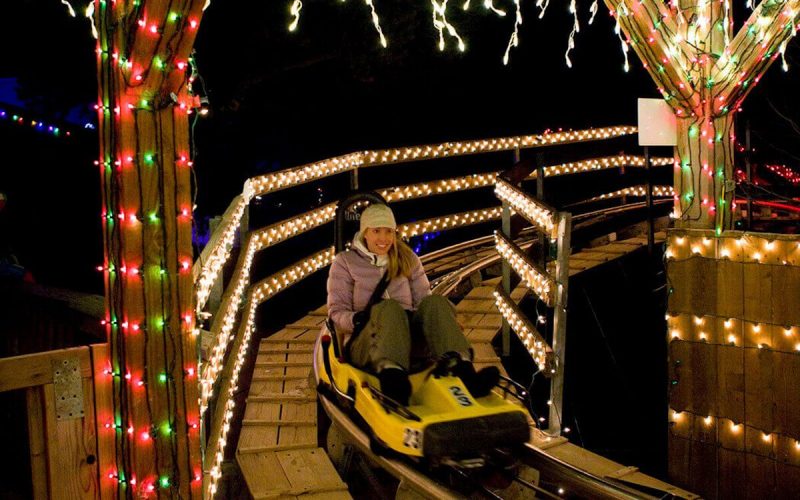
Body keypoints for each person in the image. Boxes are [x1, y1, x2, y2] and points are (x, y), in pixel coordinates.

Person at [327, 203, 499, 405]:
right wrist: (355, 319)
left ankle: (464, 371)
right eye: (376, 231)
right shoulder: (345, 262)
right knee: (389, 308)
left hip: (409, 344)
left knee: (435, 302)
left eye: (388, 232)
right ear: (365, 233)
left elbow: (424, 303)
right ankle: (393, 379)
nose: (383, 239)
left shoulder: (408, 258)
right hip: (368, 343)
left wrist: (441, 325)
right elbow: (336, 314)